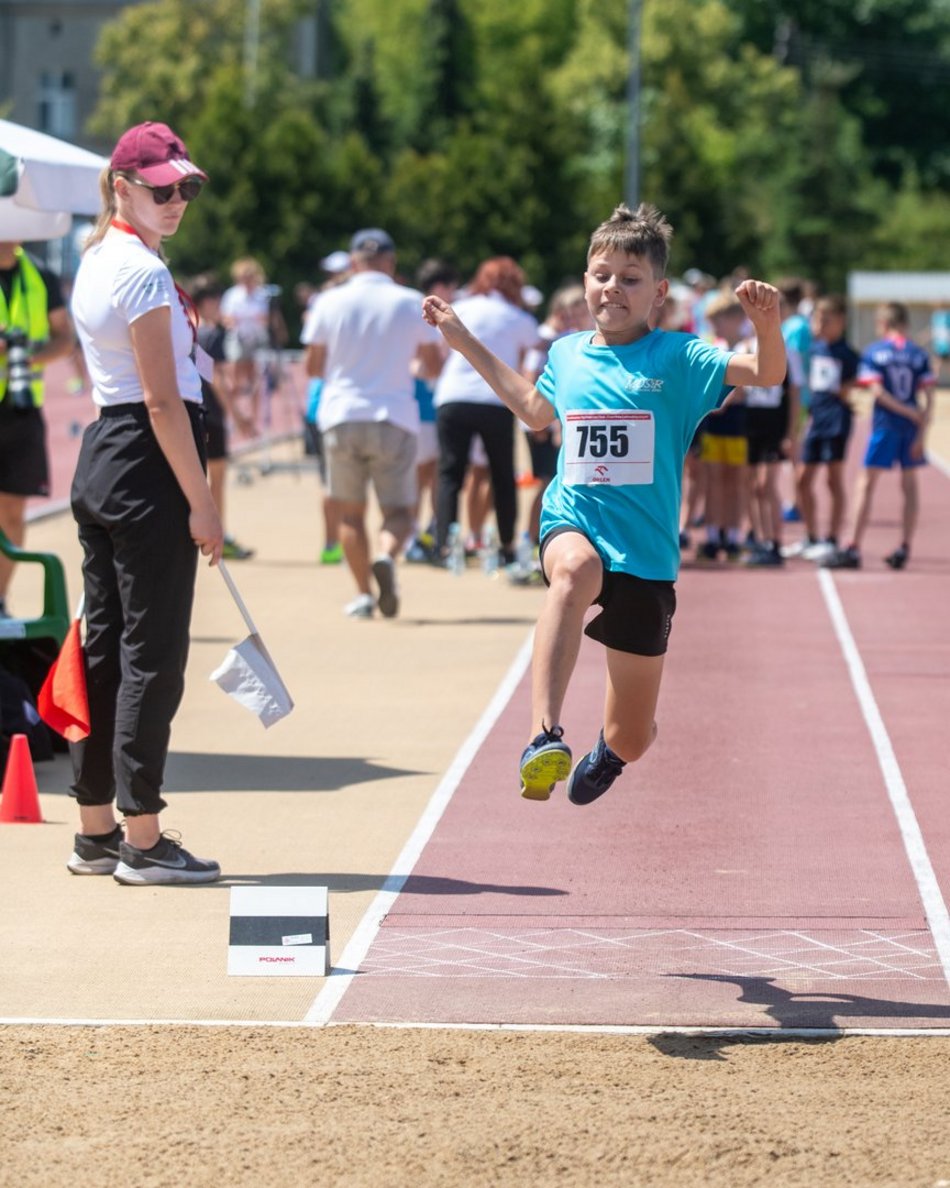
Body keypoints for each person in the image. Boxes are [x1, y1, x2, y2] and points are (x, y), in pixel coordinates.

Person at [422, 203, 785, 805]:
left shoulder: (681, 357)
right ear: (586, 280)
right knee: (572, 571)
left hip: (644, 555)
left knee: (635, 734)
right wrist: (463, 342)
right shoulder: (565, 354)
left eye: (631, 278)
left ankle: (614, 750)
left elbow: (766, 373)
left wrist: (766, 324)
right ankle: (544, 736)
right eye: (601, 274)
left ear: (659, 293)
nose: (612, 287)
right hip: (573, 519)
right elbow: (535, 412)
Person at [66, 120, 223, 885]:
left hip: (106, 454)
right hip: (146, 459)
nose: (178, 200)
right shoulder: (142, 274)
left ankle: (96, 827)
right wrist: (204, 501)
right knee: (150, 656)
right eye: (162, 188)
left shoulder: (95, 260)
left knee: (106, 649)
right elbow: (163, 401)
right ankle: (145, 837)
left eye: (185, 187)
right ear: (122, 187)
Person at [302, 228, 442, 618]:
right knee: (399, 512)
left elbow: (313, 367)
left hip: (341, 414)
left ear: (352, 262)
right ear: (391, 262)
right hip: (394, 416)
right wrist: (408, 367)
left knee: (349, 513)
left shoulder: (328, 301)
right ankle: (387, 555)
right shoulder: (410, 301)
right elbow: (433, 365)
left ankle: (363, 594)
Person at [433, 257, 540, 563]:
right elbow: (528, 354)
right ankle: (506, 545)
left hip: (453, 395)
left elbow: (442, 350)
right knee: (502, 475)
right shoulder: (519, 317)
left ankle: (445, 545)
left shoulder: (463, 307)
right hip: (495, 400)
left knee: (450, 473)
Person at [823, 302, 935, 571]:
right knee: (909, 485)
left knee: (865, 483)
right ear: (905, 323)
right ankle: (905, 545)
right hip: (910, 428)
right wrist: (920, 428)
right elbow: (929, 399)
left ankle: (853, 545)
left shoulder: (876, 351)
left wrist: (904, 411)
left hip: (886, 425)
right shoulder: (918, 354)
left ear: (883, 323)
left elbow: (876, 391)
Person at [0, 240, 73, 615]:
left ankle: (0, 600)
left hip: (22, 408)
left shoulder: (39, 275)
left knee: (13, 510)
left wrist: (27, 358)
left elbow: (65, 337)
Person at [785, 295, 859, 562]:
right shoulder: (813, 350)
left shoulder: (848, 355)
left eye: (825, 320)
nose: (819, 324)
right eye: (816, 318)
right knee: (802, 480)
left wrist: (848, 393)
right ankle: (811, 536)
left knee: (833, 479)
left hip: (836, 422)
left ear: (840, 322)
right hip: (814, 421)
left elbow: (852, 388)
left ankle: (832, 539)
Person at [189, 274, 256, 561]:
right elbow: (215, 377)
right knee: (216, 479)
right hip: (212, 415)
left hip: (192, 411)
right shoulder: (211, 334)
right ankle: (220, 532)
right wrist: (238, 414)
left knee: (195, 477)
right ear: (210, 302)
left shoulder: (189, 332)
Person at [695, 292, 748, 562]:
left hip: (737, 421)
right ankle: (714, 534)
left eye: (720, 319)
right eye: (712, 320)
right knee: (713, 478)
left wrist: (727, 395)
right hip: (713, 421)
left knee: (736, 480)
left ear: (736, 319)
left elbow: (744, 388)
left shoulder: (746, 348)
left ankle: (735, 534)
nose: (716, 325)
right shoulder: (710, 345)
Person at [220, 257, 287, 430]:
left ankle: (254, 418)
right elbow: (226, 318)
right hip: (239, 339)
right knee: (235, 380)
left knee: (256, 381)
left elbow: (270, 318)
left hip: (258, 339)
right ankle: (234, 416)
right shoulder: (232, 295)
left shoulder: (263, 294)